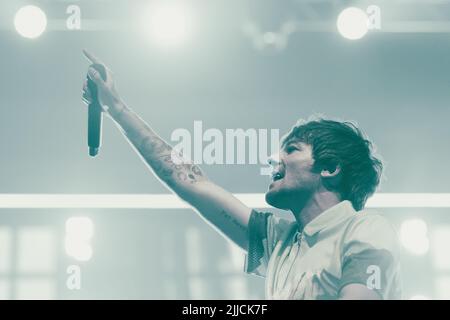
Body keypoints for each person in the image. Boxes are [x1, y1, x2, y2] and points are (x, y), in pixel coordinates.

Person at [81, 50, 402, 300]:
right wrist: (117, 109)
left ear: (330, 168)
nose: (274, 159)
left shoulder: (365, 229)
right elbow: (189, 180)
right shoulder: (280, 241)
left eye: (291, 149)